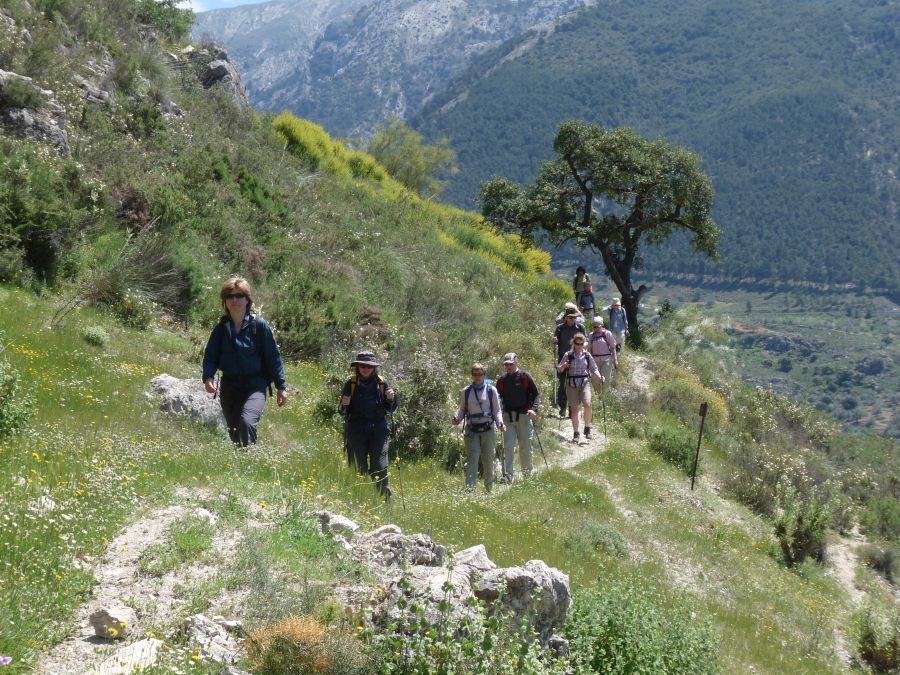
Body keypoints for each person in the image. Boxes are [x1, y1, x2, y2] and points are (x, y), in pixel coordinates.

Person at [203, 276, 288, 446]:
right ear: (225, 301)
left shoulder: (259, 326)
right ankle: (242, 466)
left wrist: (281, 387)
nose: (234, 300)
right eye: (229, 296)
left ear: (247, 300)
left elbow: (273, 357)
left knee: (247, 422)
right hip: (229, 386)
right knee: (234, 431)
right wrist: (208, 378)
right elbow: (210, 356)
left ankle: (249, 461)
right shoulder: (221, 329)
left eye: (239, 295)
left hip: (255, 385)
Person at [339, 351, 398, 501]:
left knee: (380, 467)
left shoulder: (382, 383)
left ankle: (384, 500)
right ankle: (359, 499)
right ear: (357, 367)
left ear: (374, 368)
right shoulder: (350, 383)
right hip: (356, 431)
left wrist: (392, 399)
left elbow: (390, 409)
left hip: (378, 431)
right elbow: (342, 411)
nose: (365, 368)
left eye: (369, 366)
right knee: (358, 468)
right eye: (362, 365)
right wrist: (344, 405)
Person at [452, 363, 505, 492]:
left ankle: (489, 489)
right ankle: (470, 491)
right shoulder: (466, 391)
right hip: (472, 430)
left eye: (480, 374)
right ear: (472, 375)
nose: (477, 377)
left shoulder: (491, 390)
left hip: (488, 429)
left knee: (488, 460)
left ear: (484, 375)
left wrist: (500, 423)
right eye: (474, 374)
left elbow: (497, 411)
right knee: (473, 459)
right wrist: (457, 419)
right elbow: (462, 409)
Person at [496, 353, 540, 483]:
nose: (508, 366)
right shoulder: (502, 380)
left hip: (524, 415)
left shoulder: (525, 377)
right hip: (507, 417)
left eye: (511, 364)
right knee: (508, 446)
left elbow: (536, 394)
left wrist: (534, 409)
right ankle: (508, 476)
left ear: (516, 363)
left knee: (525, 446)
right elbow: (496, 397)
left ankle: (527, 474)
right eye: (506, 364)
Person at [558, 333, 602, 442]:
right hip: (571, 383)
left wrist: (600, 377)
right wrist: (564, 366)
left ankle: (587, 428)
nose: (579, 346)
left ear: (584, 344)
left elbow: (593, 367)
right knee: (574, 409)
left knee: (587, 404)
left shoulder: (587, 355)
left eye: (581, 344)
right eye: (577, 344)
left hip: (585, 382)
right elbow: (559, 369)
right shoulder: (568, 355)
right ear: (573, 343)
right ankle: (576, 432)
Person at [552, 306, 587, 417]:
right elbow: (555, 342)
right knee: (563, 383)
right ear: (566, 318)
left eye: (574, 317)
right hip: (563, 358)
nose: (572, 319)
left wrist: (582, 347)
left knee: (575, 384)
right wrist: (554, 341)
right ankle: (563, 407)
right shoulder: (560, 328)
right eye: (570, 317)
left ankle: (573, 409)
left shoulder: (580, 327)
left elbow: (586, 341)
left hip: (577, 358)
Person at [587, 316, 617, 386]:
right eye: (594, 327)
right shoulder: (591, 335)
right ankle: (598, 396)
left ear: (602, 326)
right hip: (594, 360)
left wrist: (615, 360)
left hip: (606, 360)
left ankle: (604, 396)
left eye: (598, 327)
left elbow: (613, 347)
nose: (596, 328)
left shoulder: (607, 333)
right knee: (595, 380)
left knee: (606, 380)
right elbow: (589, 350)